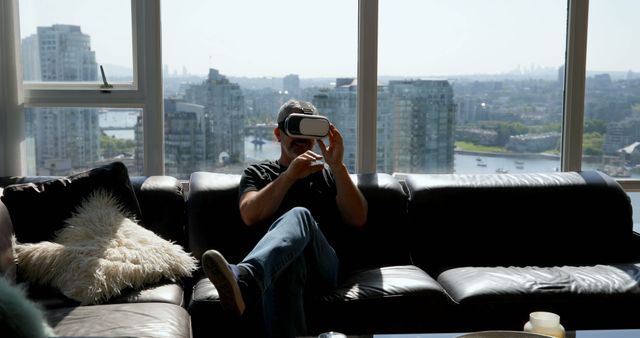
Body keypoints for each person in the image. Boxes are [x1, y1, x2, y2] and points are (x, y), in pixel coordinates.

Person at [202, 99, 368, 338]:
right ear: (278, 134)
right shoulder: (257, 173)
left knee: (300, 215)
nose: (301, 137)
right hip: (279, 268)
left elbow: (358, 218)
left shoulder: (330, 175)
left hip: (325, 269)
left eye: (308, 129)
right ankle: (255, 279)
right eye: (294, 128)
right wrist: (289, 176)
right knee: (288, 266)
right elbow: (249, 213)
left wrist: (338, 166)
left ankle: (247, 281)